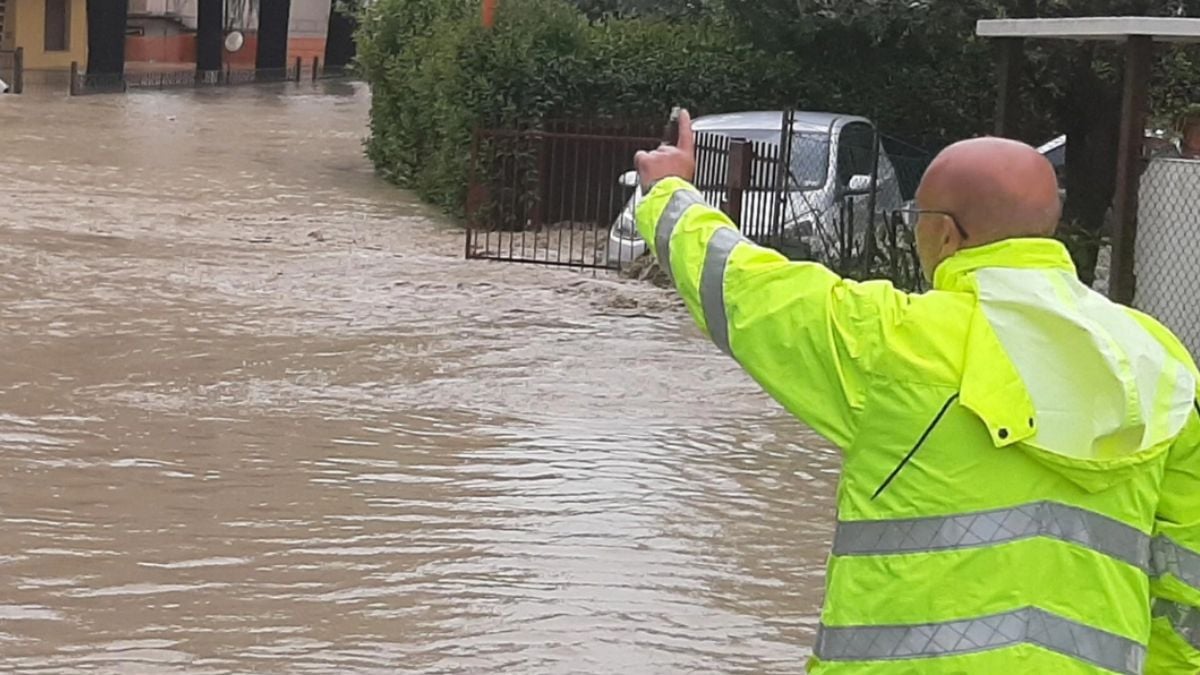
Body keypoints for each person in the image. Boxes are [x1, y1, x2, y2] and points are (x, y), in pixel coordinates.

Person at [634, 110, 1200, 674]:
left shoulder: (894, 339)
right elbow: (1185, 582)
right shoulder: (1159, 362)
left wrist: (668, 192)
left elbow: (743, 288)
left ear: (946, 232)